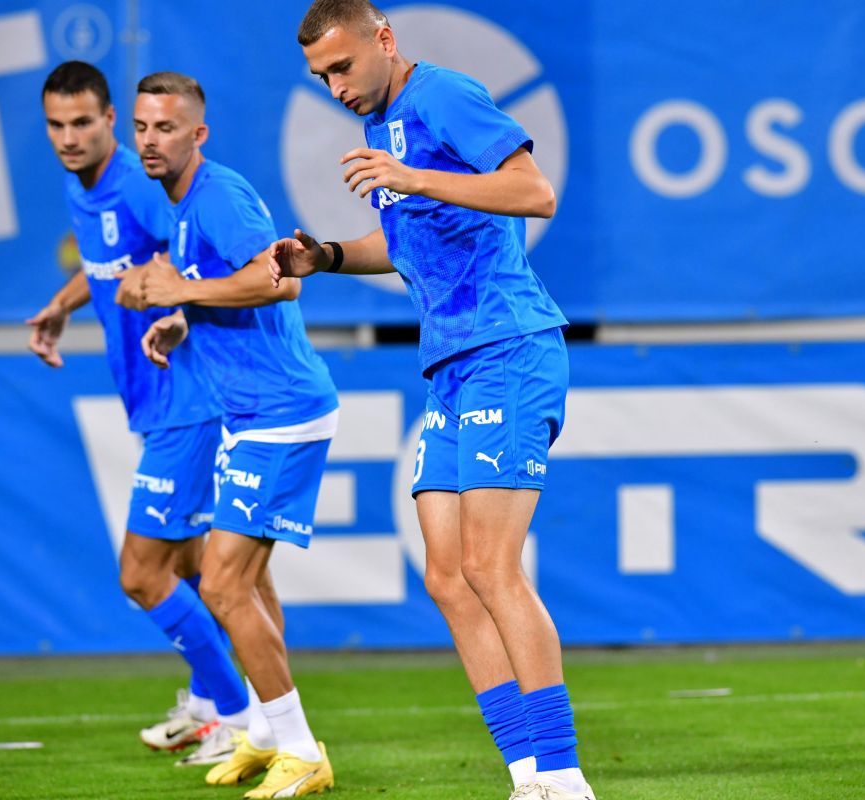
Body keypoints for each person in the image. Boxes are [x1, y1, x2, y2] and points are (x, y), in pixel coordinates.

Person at [270, 3, 596, 798]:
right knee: (448, 577)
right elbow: (406, 240)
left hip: (508, 349)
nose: (335, 87)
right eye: (320, 78)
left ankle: (566, 778)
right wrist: (329, 255)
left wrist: (414, 175)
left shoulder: (443, 97)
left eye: (342, 67)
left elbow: (534, 189)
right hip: (451, 365)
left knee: (491, 566)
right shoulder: (385, 130)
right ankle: (527, 778)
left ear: (384, 40)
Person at [117, 71, 338, 798]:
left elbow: (280, 279)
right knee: (249, 580)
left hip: (281, 412)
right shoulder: (179, 205)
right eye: (143, 128)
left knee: (220, 581)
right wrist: (183, 320)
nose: (151, 140)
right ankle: (271, 734)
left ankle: (301, 749)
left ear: (197, 134)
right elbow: (223, 287)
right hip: (250, 414)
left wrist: (180, 291)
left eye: (167, 128)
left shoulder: (217, 194)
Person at [31, 61, 250, 763]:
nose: (68, 138)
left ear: (107, 123)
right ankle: (213, 702)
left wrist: (179, 304)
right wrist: (62, 307)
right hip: (153, 402)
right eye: (55, 125)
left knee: (141, 574)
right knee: (186, 571)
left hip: (188, 399)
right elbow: (106, 264)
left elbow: (207, 265)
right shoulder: (82, 187)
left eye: (81, 123)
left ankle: (239, 715)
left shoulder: (143, 187)